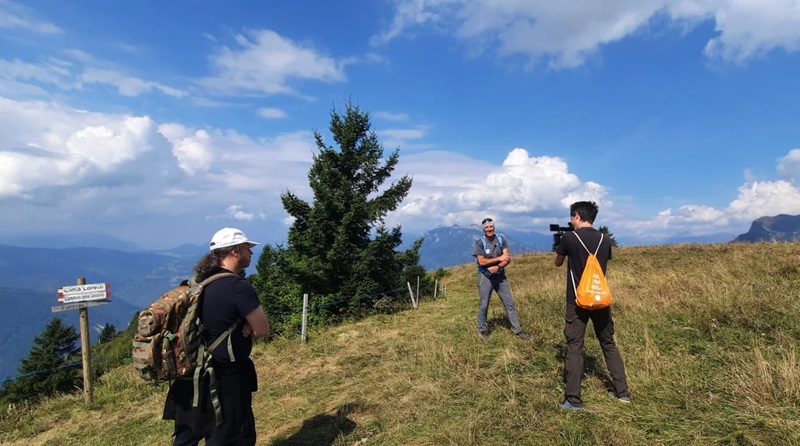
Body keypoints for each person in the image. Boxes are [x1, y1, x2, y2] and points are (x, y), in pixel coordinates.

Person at [164, 227, 271, 445]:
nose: (251, 253)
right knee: (231, 437)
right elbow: (263, 329)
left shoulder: (197, 284)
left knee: (186, 438)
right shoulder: (238, 287)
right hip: (225, 379)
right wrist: (249, 324)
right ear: (234, 251)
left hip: (189, 376)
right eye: (247, 248)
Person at [554, 201, 630, 411]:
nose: (571, 220)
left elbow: (558, 262)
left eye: (571, 217)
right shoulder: (604, 239)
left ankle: (573, 400)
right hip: (600, 299)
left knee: (575, 346)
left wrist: (560, 243)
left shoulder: (569, 238)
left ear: (576, 215)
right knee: (608, 343)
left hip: (577, 300)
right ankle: (622, 393)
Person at [473, 217, 532, 341]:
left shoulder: (501, 239)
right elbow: (481, 261)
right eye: (486, 227)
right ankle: (482, 330)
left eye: (491, 226)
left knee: (509, 303)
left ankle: (517, 330)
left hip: (500, 275)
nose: (489, 229)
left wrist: (498, 266)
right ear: (483, 229)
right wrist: (499, 259)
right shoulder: (480, 242)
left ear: (494, 227)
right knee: (484, 305)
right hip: (485, 277)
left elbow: (507, 258)